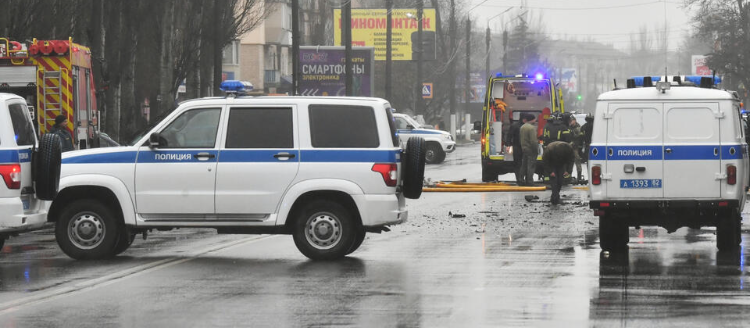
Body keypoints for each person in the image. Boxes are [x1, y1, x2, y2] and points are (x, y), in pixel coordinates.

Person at [543, 141, 575, 205]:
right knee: (554, 181)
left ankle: (554, 197)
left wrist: (568, 171)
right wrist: (550, 171)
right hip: (551, 164)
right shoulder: (549, 149)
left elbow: (571, 160)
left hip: (561, 164)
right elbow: (545, 161)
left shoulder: (569, 149)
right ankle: (555, 199)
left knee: (560, 181)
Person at [507, 115, 527, 185]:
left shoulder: (514, 125)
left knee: (517, 164)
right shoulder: (526, 126)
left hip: (516, 147)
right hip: (524, 147)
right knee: (523, 164)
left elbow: (509, 135)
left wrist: (508, 145)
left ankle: (519, 179)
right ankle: (523, 179)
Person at [519, 113, 538, 186]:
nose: (535, 120)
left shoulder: (522, 127)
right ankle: (529, 181)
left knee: (524, 165)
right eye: (534, 119)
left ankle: (521, 179)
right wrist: (536, 150)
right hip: (530, 149)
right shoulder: (531, 128)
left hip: (524, 148)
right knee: (531, 165)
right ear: (532, 119)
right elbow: (533, 141)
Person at [568, 115, 583, 182]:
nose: (571, 122)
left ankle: (579, 176)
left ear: (575, 120)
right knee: (569, 162)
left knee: (577, 161)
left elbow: (578, 137)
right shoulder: (570, 127)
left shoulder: (578, 127)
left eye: (572, 121)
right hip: (570, 147)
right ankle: (568, 176)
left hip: (575, 147)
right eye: (570, 121)